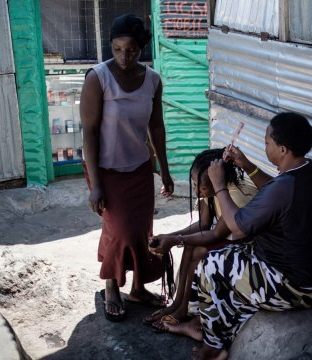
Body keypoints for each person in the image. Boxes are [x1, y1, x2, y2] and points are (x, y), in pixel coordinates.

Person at [160, 112, 312, 360]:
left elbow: (239, 227)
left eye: (267, 143)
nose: (264, 146)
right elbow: (274, 192)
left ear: (282, 149)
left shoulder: (283, 187)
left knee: (209, 265)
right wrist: (248, 166)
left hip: (296, 286)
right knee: (226, 261)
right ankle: (202, 325)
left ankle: (212, 347)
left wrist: (219, 185)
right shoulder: (309, 170)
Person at [80, 13, 174, 322]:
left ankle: (137, 289)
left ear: (141, 49)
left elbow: (156, 127)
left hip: (140, 168)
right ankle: (111, 286)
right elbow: (89, 132)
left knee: (141, 230)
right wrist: (95, 185)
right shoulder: (98, 78)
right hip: (105, 169)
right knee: (119, 229)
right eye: (117, 49)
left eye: (131, 50)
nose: (123, 56)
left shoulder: (152, 80)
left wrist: (164, 167)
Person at [145, 148, 257, 332]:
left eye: (201, 187)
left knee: (197, 250)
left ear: (217, 179)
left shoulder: (235, 194)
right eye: (195, 185)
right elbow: (204, 224)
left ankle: (186, 310)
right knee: (190, 245)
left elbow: (216, 234)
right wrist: (171, 237)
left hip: (248, 246)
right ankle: (178, 305)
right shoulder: (211, 188)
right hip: (230, 238)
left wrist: (175, 241)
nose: (197, 191)